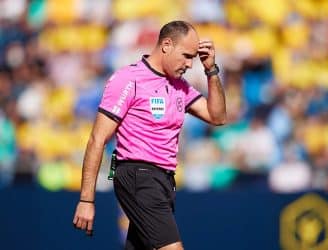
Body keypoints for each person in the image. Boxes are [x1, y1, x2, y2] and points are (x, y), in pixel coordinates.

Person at [73, 20, 226, 250]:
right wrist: (86, 199)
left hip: (164, 180)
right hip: (138, 176)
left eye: (193, 58)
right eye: (186, 56)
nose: (189, 64)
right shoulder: (129, 79)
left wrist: (211, 70)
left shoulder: (179, 86)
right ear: (166, 45)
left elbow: (218, 117)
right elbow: (97, 138)